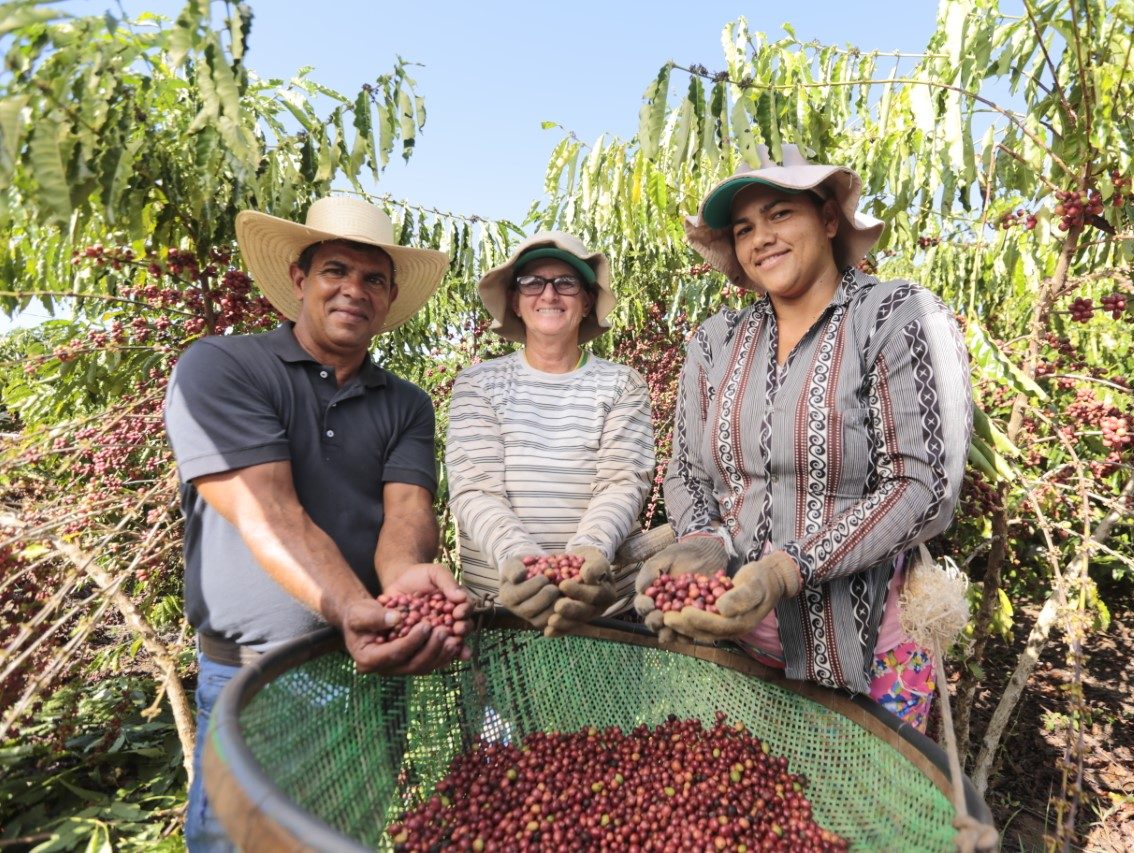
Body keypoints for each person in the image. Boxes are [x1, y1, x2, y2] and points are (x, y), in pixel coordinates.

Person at [164, 196, 474, 851]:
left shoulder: (407, 405)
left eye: (374, 279)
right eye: (336, 269)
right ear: (300, 278)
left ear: (389, 299)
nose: (353, 290)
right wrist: (355, 606)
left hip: (362, 673)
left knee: (347, 835)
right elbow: (267, 508)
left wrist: (408, 578)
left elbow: (408, 515)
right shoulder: (222, 368)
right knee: (237, 840)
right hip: (251, 675)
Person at [635, 145, 973, 732]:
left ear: (829, 219)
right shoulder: (716, 341)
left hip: (866, 654)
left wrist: (787, 570)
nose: (760, 237)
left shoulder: (897, 316)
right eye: (743, 228)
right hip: (733, 649)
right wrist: (704, 544)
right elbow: (687, 470)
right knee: (745, 812)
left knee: (859, 817)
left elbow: (923, 484)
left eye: (780, 214)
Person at [446, 232, 655, 635]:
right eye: (532, 283)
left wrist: (586, 555)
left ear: (588, 301)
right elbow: (476, 490)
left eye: (566, 283)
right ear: (514, 301)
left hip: (601, 612)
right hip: (502, 613)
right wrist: (521, 563)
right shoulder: (478, 384)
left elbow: (623, 482)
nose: (549, 294)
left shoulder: (622, 385)